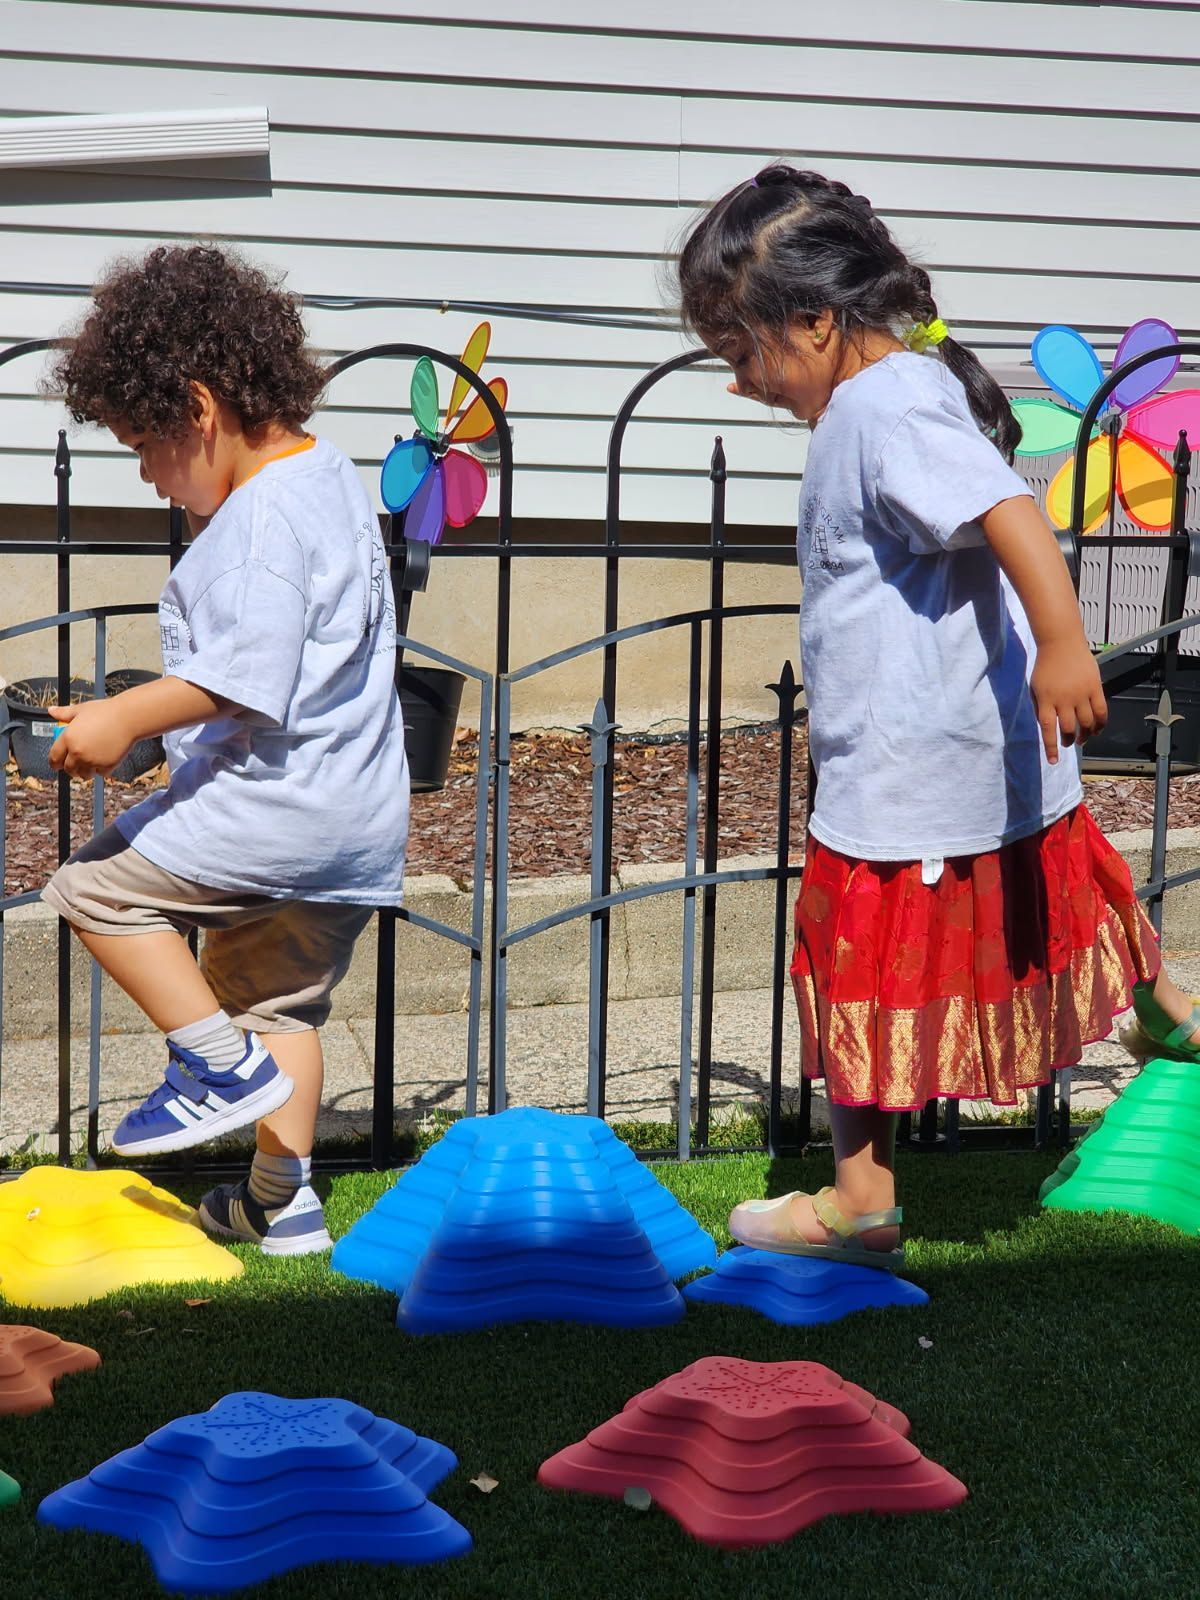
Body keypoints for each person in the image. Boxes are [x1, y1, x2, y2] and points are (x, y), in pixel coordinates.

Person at [676, 164, 1197, 1270]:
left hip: (914, 771)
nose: (742, 384)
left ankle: (861, 1204)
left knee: (853, 954)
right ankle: (1172, 1013)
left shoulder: (885, 405)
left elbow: (1011, 509)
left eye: (743, 353)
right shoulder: (893, 394)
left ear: (815, 320)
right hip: (963, 753)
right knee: (1063, 882)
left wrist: (1064, 641)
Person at [41, 244, 409, 1257]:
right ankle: (282, 1203)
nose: (153, 478)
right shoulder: (329, 479)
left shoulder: (257, 520)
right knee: (279, 1003)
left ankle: (211, 1065)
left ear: (197, 407)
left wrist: (126, 720)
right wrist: (140, 721)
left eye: (144, 449)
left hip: (275, 806)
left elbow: (245, 672)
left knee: (93, 891)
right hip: (354, 814)